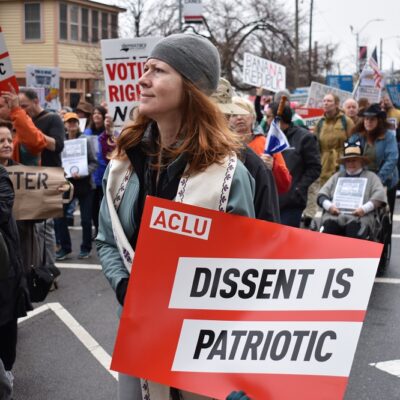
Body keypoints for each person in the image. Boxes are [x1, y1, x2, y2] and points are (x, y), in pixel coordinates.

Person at [96, 33, 256, 400]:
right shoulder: (123, 164)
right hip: (138, 336)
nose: (143, 78)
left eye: (159, 70)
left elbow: (247, 271)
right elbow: (107, 240)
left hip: (202, 348)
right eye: (145, 67)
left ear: (191, 88)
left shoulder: (228, 175)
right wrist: (125, 289)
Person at [211, 78, 280, 222]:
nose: (238, 119)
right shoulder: (173, 153)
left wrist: (274, 166)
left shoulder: (252, 164)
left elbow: (268, 225)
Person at [0, 164, 32, 394]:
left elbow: (2, 210)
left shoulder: (1, 176)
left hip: (3, 264)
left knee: (5, 319)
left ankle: (6, 369)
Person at [318, 140, 387, 239]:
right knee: (328, 230)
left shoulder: (372, 177)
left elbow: (379, 196)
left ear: (361, 161)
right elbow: (322, 195)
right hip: (334, 216)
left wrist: (364, 209)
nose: (351, 163)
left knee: (354, 231)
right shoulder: (336, 177)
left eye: (354, 160)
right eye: (348, 161)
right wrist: (330, 207)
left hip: (361, 217)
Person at [267, 103, 321, 227]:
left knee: (286, 241)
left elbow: (315, 168)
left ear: (278, 120)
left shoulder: (304, 137)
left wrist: (298, 188)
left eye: (269, 117)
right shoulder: (269, 138)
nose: (266, 121)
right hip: (273, 201)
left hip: (292, 203)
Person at [55, 112, 97, 260]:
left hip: (85, 185)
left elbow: (94, 162)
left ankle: (85, 248)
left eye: (74, 122)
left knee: (86, 220)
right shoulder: (61, 141)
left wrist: (84, 172)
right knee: (59, 217)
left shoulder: (85, 140)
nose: (72, 125)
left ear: (79, 124)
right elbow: (58, 162)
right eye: (69, 122)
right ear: (65, 125)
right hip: (67, 185)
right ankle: (65, 248)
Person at [229, 96, 292, 195]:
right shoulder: (222, 147)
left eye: (243, 112)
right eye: (234, 114)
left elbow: (285, 185)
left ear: (253, 117)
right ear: (227, 119)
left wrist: (273, 167)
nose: (239, 117)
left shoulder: (266, 144)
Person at [349, 104, 399, 225]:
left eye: (372, 119)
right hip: (361, 181)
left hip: (385, 181)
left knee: (384, 220)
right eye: (366, 119)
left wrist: (378, 180)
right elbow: (348, 158)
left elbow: (392, 159)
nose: (368, 122)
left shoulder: (388, 136)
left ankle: (384, 244)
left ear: (379, 121)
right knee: (360, 216)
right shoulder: (356, 136)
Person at [84, 105, 116, 237]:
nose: (96, 115)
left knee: (104, 205)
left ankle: (104, 230)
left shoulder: (108, 133)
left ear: (103, 117)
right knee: (92, 207)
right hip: (92, 174)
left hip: (105, 172)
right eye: (94, 113)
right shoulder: (87, 132)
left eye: (99, 113)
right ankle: (97, 229)